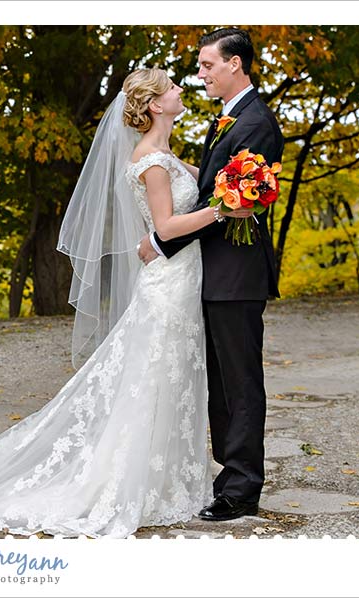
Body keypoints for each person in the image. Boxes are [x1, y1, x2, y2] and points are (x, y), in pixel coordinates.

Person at [0, 67, 252, 538]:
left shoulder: (166, 154)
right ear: (155, 104)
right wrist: (223, 210)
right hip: (168, 284)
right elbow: (165, 228)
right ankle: (127, 483)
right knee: (154, 378)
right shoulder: (151, 160)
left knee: (175, 377)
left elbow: (204, 188)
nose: (182, 88)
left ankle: (169, 479)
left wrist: (241, 184)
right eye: (172, 86)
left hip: (183, 279)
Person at [138, 28, 284, 521]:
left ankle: (241, 489)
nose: (200, 74)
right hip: (212, 270)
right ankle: (229, 478)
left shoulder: (255, 122)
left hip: (236, 272)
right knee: (221, 383)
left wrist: (162, 242)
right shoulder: (230, 118)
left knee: (239, 383)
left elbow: (230, 205)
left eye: (207, 65)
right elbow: (213, 193)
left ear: (234, 64)